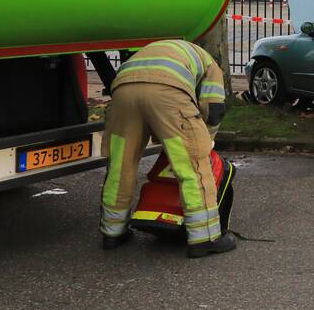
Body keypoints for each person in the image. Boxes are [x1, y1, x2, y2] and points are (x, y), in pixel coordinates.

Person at [99, 39, 236, 257]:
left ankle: (112, 232)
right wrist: (206, 141)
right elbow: (214, 109)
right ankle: (205, 238)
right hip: (167, 93)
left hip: (123, 92)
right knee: (194, 166)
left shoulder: (161, 50)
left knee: (120, 166)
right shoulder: (211, 65)